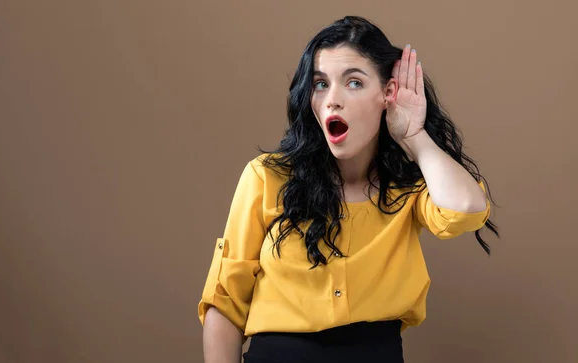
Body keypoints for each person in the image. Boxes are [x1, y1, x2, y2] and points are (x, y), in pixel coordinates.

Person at [197, 15, 499, 363]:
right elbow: (225, 304)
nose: (332, 99)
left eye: (353, 82)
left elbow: (466, 208)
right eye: (321, 84)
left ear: (387, 94)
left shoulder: (410, 190)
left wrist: (414, 137)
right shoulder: (266, 177)